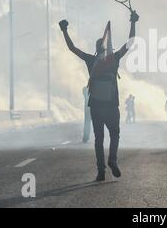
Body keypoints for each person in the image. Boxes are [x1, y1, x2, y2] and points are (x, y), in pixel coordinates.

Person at [59, 10, 139, 181]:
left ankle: (101, 171)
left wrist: (64, 30)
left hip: (95, 107)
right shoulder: (114, 59)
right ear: (108, 48)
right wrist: (133, 22)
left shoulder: (90, 60)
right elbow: (130, 43)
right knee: (115, 134)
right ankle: (113, 160)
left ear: (96, 50)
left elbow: (72, 48)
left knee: (99, 139)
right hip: (111, 106)